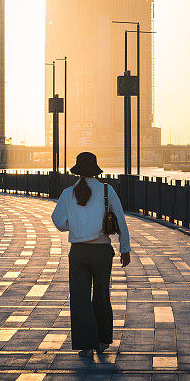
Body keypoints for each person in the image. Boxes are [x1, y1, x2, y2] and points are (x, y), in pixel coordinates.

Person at [51, 152, 131, 359]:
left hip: (78, 251)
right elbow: (121, 220)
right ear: (96, 170)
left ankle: (85, 344)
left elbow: (58, 221)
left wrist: (75, 227)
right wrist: (125, 249)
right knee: (102, 295)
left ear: (77, 171)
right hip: (102, 250)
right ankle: (103, 341)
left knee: (80, 298)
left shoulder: (68, 192)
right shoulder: (107, 190)